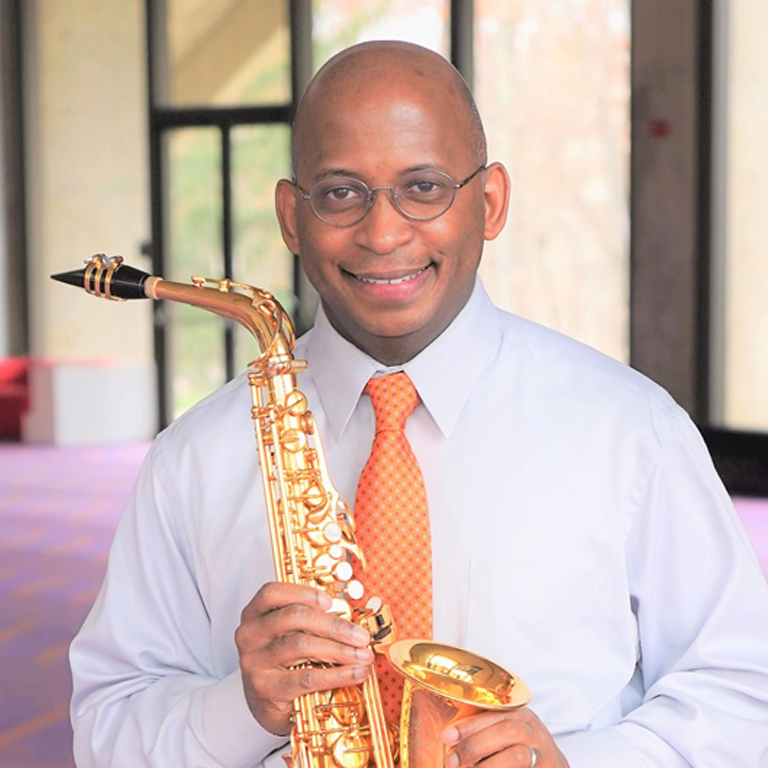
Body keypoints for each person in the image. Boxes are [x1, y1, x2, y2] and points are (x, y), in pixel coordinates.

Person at [70, 41, 768, 768]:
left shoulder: (632, 431)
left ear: (491, 202)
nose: (383, 233)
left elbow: (745, 693)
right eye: (341, 192)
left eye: (424, 187)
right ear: (290, 215)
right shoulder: (194, 458)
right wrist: (241, 709)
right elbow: (108, 725)